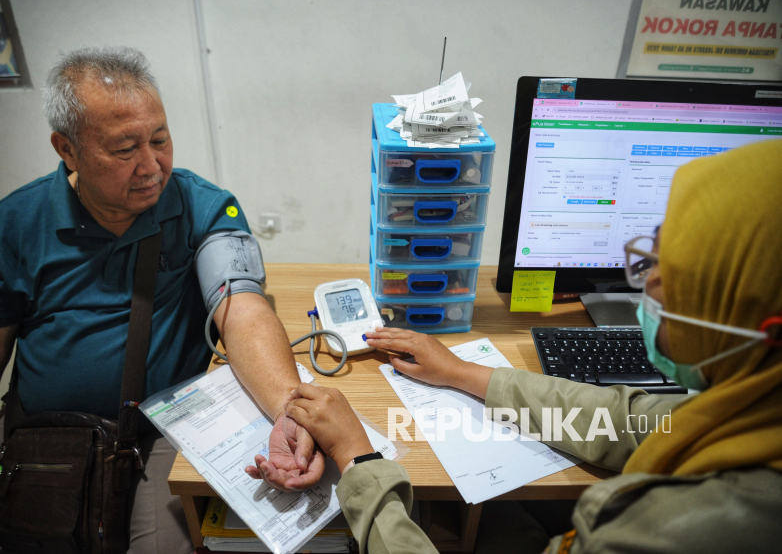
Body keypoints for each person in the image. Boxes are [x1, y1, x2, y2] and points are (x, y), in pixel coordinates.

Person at [286, 140, 782, 553]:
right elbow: (637, 421)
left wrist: (358, 460)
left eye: (672, 271)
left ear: (763, 327)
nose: (647, 284)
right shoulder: (755, 414)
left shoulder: (684, 528)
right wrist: (464, 373)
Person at [0, 46, 323, 553]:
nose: (152, 166)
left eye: (160, 139)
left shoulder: (204, 208)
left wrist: (287, 407)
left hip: (163, 428)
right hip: (39, 428)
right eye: (125, 149)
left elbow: (241, 308)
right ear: (68, 149)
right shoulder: (9, 227)